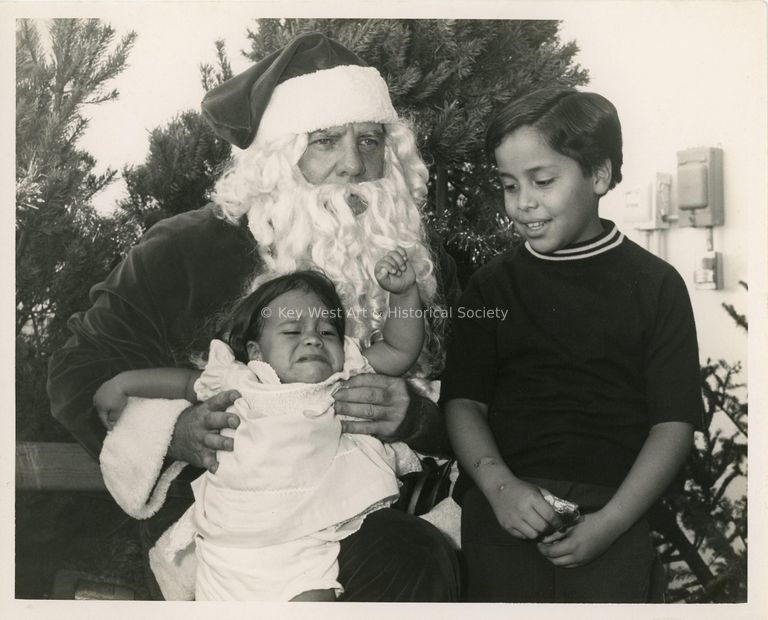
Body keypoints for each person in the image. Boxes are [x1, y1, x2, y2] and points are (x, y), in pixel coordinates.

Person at [47, 32, 460, 601]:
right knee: (404, 560)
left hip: (376, 506)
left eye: (370, 141)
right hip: (227, 532)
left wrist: (414, 417)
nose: (354, 165)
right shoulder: (185, 249)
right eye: (325, 142)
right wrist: (172, 432)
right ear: (278, 154)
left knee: (415, 553)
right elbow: (78, 374)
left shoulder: (421, 264)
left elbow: (479, 400)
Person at [441, 87, 704, 603]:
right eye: (508, 185)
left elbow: (672, 424)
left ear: (599, 175)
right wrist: (499, 490)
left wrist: (614, 522)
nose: (523, 203)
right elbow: (462, 402)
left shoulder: (656, 286)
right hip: (505, 508)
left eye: (542, 181)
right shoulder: (489, 287)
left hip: (614, 511)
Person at [95, 265, 424, 601]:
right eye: (292, 331)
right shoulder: (240, 381)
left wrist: (403, 293)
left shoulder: (337, 381)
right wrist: (124, 383)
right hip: (228, 550)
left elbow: (398, 350)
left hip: (304, 542)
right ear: (255, 352)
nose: (313, 338)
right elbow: (182, 383)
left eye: (327, 332)